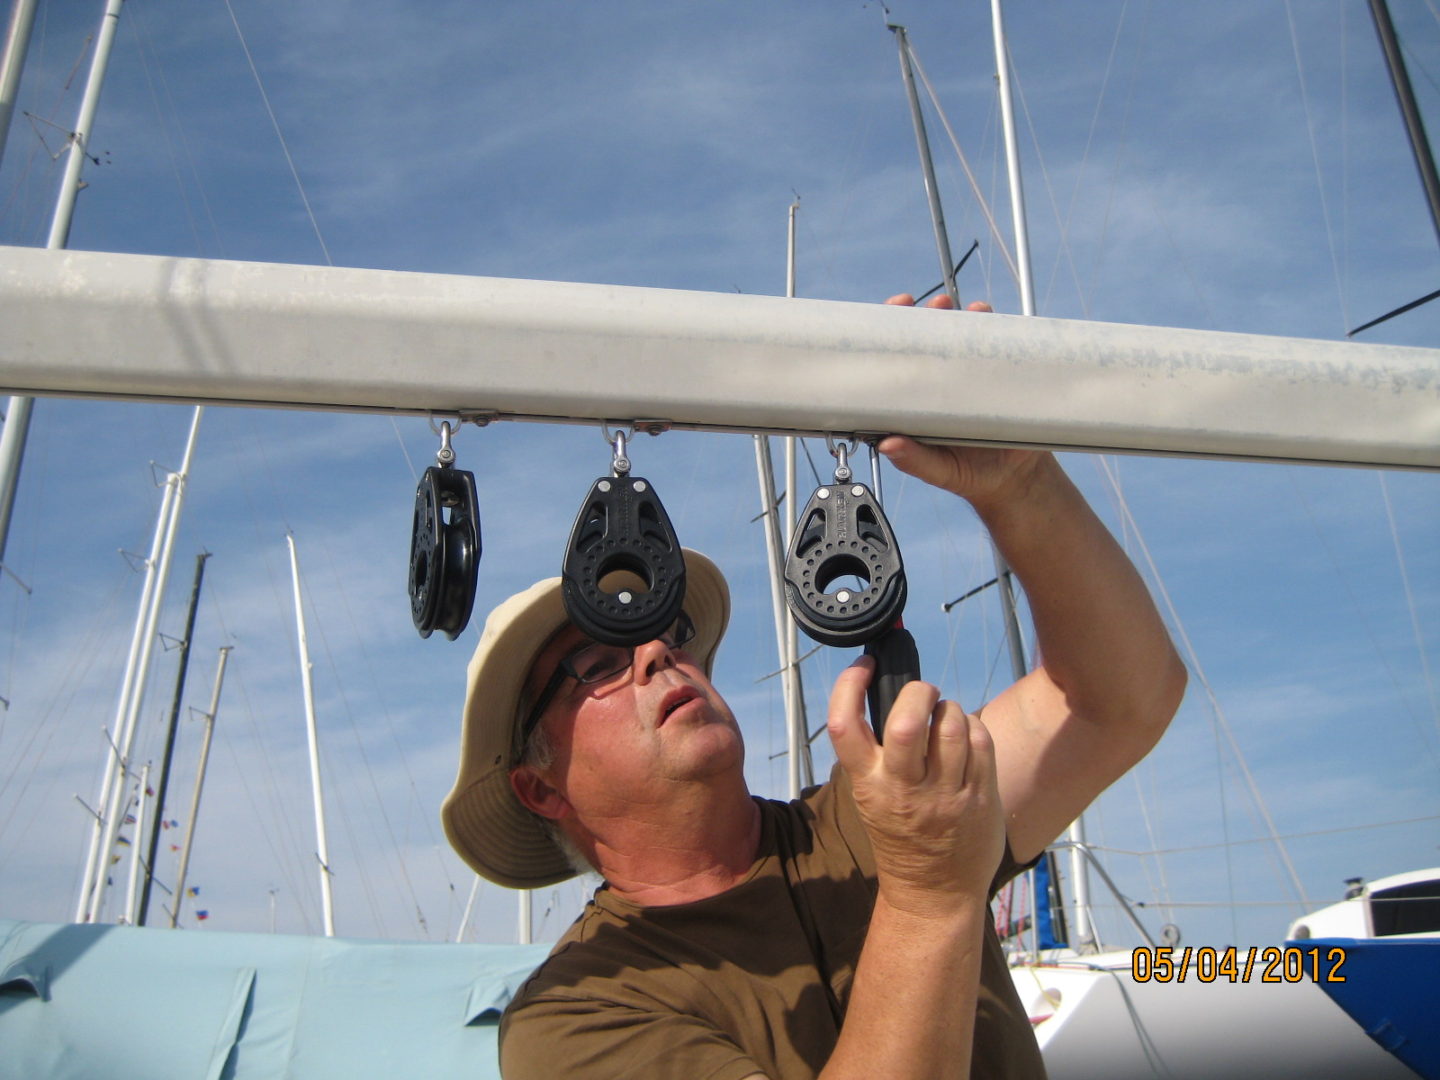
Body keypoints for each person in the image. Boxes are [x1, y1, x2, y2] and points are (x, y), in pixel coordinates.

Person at [441, 295, 1188, 1079]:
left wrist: (1021, 483)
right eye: (594, 665)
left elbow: (1119, 700)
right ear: (539, 787)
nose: (656, 652)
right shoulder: (576, 1015)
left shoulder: (881, 821)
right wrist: (929, 893)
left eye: (667, 632)